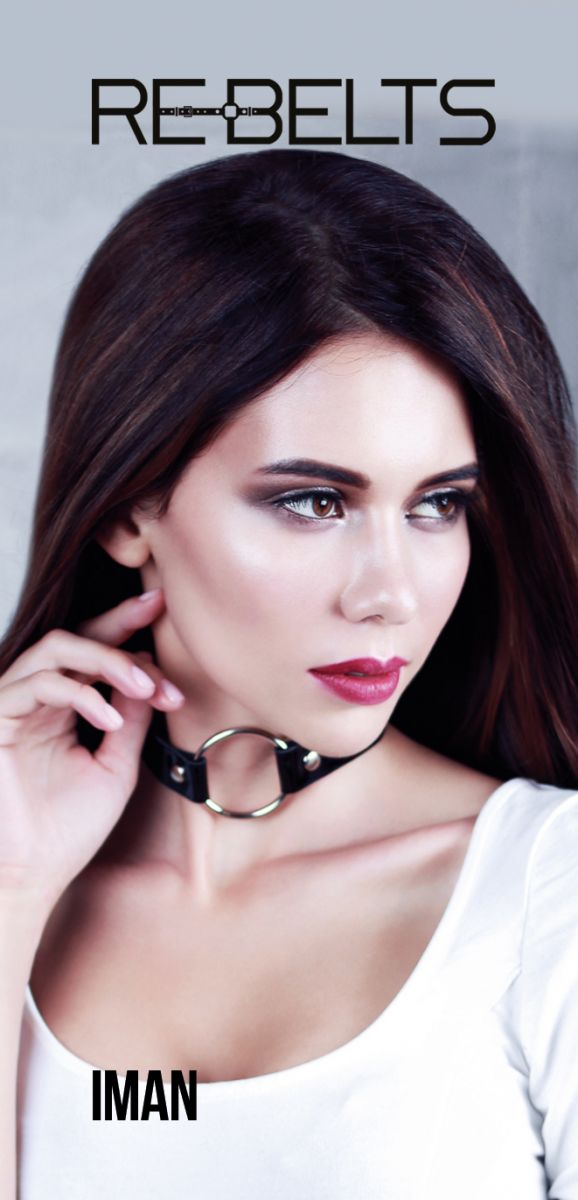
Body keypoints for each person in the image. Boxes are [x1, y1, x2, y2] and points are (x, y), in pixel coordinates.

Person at [0, 148, 577, 1199]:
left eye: (437, 504)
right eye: (312, 501)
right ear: (130, 510)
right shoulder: (19, 879)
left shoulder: (549, 891)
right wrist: (10, 888)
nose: (390, 593)